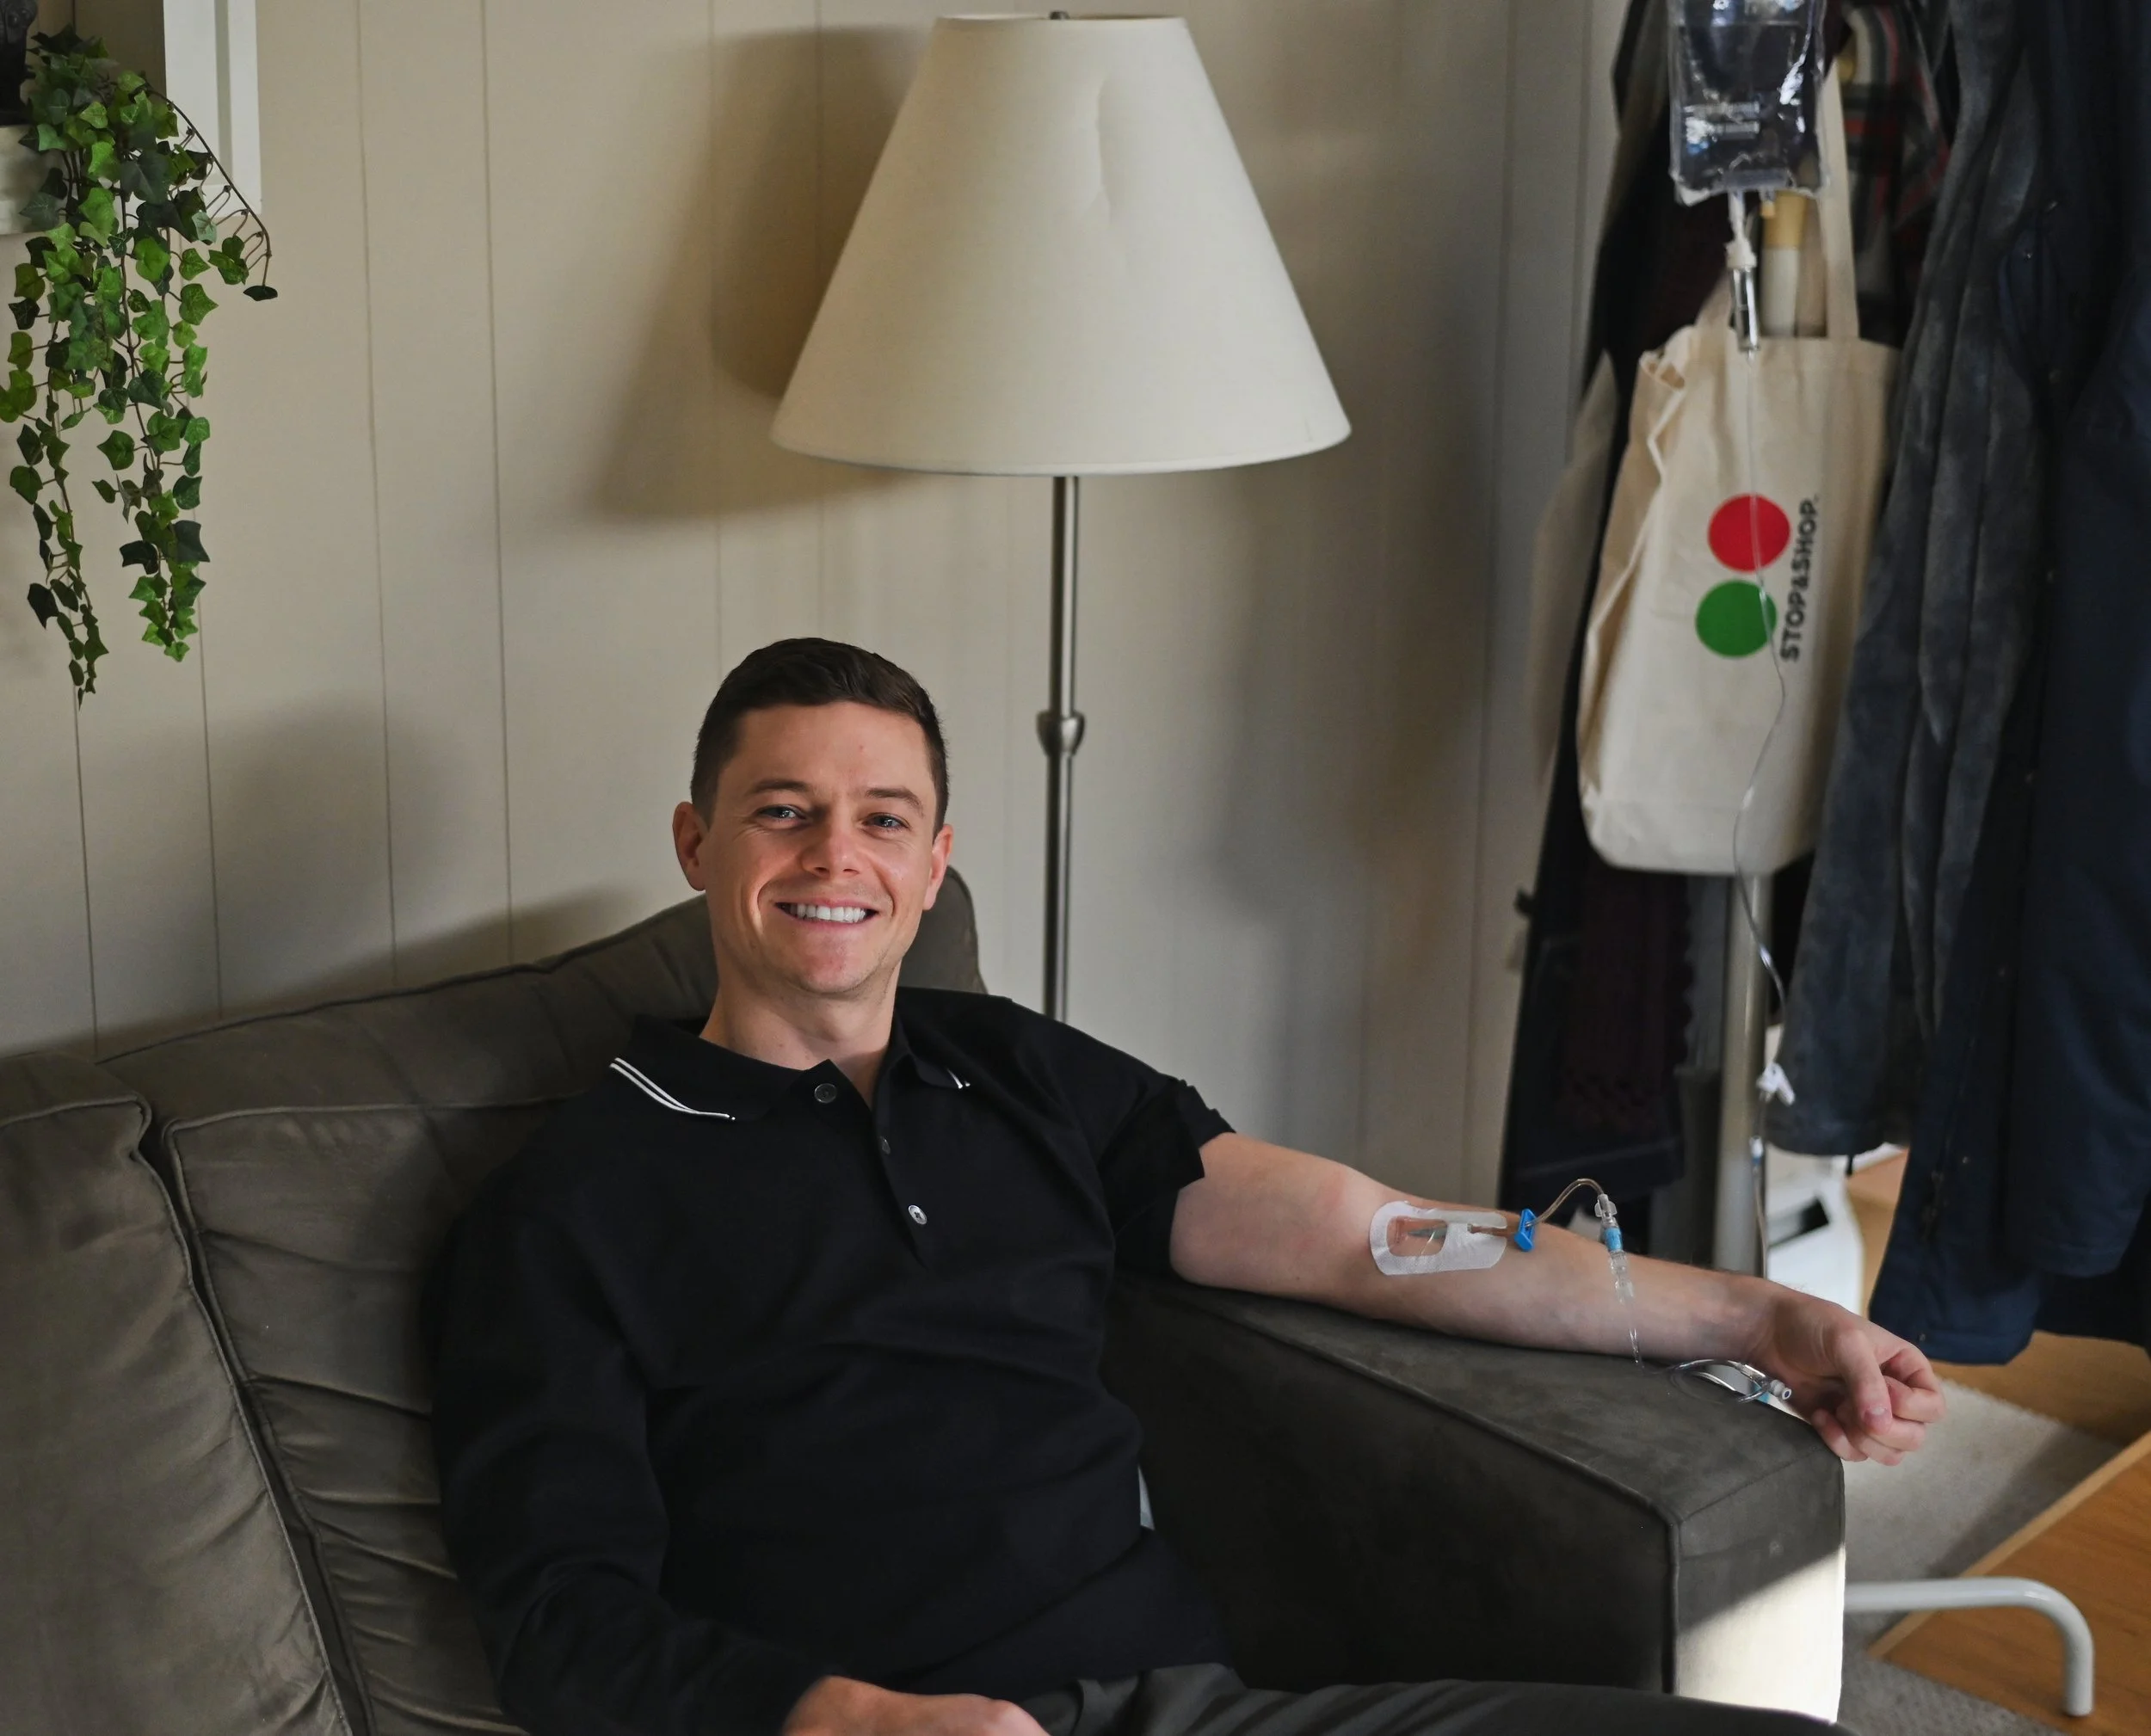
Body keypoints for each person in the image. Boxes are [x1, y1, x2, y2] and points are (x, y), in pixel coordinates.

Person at [431, 638, 1941, 1736]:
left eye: (884, 816)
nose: (839, 853)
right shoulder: (570, 1203)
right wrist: (849, 1719)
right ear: (697, 842)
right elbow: (561, 1621)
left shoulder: (1014, 1074)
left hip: (1187, 1709)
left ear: (938, 859)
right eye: (782, 809)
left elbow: (1377, 1238)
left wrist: (1755, 1317)